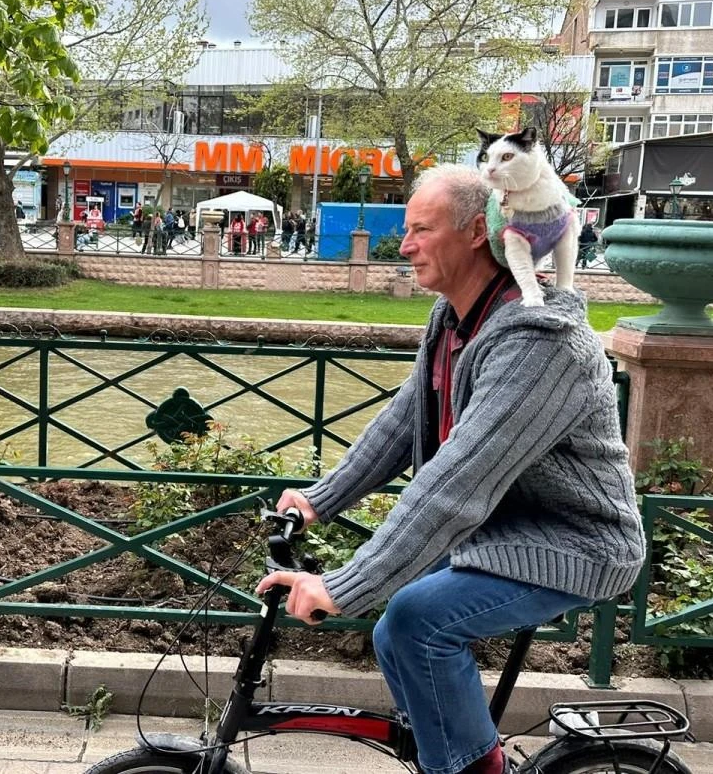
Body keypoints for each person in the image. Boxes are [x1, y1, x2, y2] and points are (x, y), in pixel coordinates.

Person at [256, 165, 645, 774]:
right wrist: (319, 499)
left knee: (415, 621)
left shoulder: (539, 344)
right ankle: (456, 753)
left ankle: (467, 768)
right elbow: (405, 421)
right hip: (506, 531)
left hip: (578, 542)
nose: (404, 245)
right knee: (396, 628)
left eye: (420, 229)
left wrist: (341, 587)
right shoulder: (456, 318)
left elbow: (456, 485)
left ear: (473, 233)